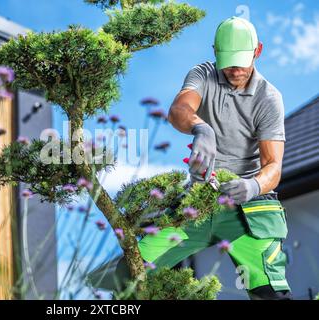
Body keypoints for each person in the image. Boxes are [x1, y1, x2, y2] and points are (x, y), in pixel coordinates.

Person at [120, 16, 291, 300]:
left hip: (249, 211)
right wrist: (201, 128)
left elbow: (273, 166)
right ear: (214, 52)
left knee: (270, 293)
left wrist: (253, 186)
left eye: (242, 61)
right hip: (199, 203)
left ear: (258, 51)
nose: (235, 69)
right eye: (228, 61)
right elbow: (179, 109)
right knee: (128, 272)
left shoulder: (269, 98)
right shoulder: (202, 74)